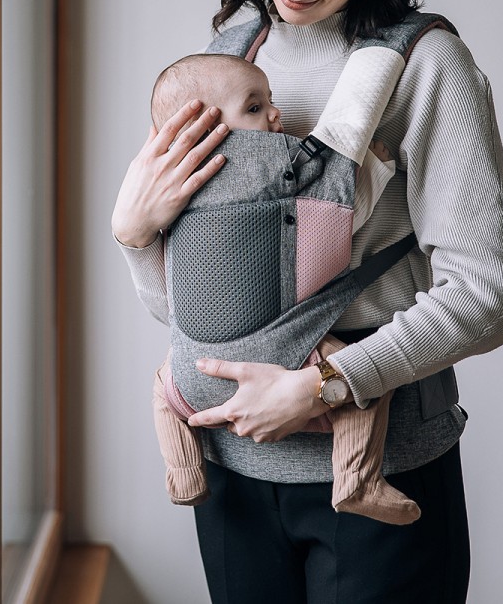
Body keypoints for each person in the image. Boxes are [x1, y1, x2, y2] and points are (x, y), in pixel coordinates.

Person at [112, 0, 503, 602]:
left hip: (379, 467)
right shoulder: (232, 53)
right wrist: (135, 237)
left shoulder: (425, 64)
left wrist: (326, 387)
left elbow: (490, 297)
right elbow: (199, 299)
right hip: (229, 469)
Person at [148, 52, 420, 526]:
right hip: (284, 359)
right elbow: (337, 216)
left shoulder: (174, 186)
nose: (276, 114)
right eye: (255, 108)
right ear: (199, 128)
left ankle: (183, 472)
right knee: (363, 388)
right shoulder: (273, 169)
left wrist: (135, 231)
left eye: (268, 100)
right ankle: (357, 482)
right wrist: (374, 169)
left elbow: (169, 304)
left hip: (191, 378)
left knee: (161, 388)